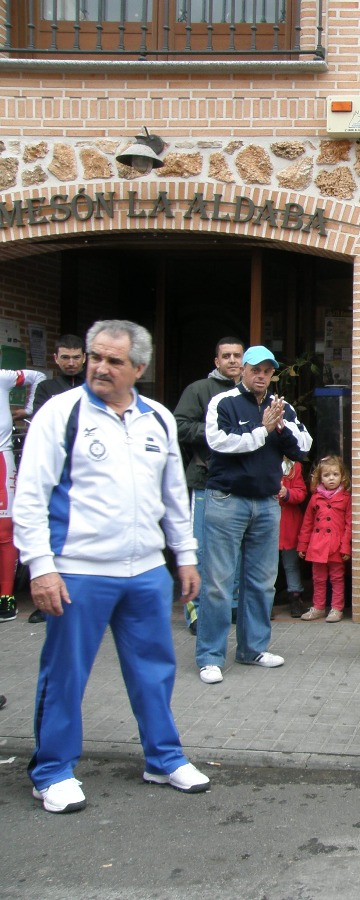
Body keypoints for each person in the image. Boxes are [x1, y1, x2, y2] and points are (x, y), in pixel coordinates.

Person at [14, 319, 210, 813]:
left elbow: (173, 496)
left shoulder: (159, 419)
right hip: (77, 570)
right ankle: (52, 770)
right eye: (95, 356)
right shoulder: (61, 414)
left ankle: (163, 759)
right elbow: (31, 497)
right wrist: (40, 566)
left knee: (154, 671)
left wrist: (184, 557)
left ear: (139, 368)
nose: (100, 367)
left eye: (113, 361)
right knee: (65, 675)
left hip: (144, 571)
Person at [194, 345, 311, 685]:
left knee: (261, 582)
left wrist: (279, 427)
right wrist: (262, 430)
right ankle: (210, 656)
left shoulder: (281, 407)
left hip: (265, 503)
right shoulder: (224, 402)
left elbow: (303, 446)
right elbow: (220, 442)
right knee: (218, 582)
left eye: (268, 371)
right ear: (242, 370)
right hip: (227, 500)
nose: (261, 376)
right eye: (255, 369)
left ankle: (253, 649)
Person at [173, 337, 245, 634]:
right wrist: (217, 433)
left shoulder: (250, 392)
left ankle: (232, 608)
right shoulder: (198, 390)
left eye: (237, 356)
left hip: (242, 484)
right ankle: (197, 613)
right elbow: (179, 425)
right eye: (225, 356)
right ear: (216, 361)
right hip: (205, 482)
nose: (231, 360)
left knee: (237, 551)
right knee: (201, 551)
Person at [0, 365, 43, 623]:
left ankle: (6, 596)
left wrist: (29, 411)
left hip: (1, 461)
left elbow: (38, 377)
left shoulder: (3, 377)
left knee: (5, 531)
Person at [298, 454, 352, 623]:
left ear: (342, 476)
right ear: (320, 477)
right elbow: (307, 523)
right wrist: (303, 545)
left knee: (337, 578)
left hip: (336, 546)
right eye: (327, 475)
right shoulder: (315, 498)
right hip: (317, 545)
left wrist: (345, 547)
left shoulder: (346, 498)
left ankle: (336, 608)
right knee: (318, 579)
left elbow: (349, 525)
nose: (331, 479)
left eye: (335, 475)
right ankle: (319, 607)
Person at [278, 457, 308, 618]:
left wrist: (287, 493)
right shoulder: (260, 461)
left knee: (291, 563)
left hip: (289, 522)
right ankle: (265, 600)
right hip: (268, 522)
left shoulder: (294, 466)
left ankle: (295, 596)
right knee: (266, 566)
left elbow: (301, 492)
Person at [29, 333, 85, 418]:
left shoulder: (95, 388)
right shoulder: (45, 388)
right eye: (65, 357)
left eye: (76, 357)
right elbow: (39, 420)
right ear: (56, 358)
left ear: (84, 358)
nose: (71, 363)